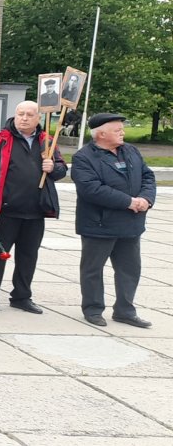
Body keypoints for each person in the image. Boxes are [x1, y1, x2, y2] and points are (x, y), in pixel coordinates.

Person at [0, 101, 67, 314]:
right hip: (5, 210)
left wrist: (53, 167)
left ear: (38, 117)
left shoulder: (47, 141)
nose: (24, 118)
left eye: (29, 114)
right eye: (20, 114)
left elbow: (61, 169)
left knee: (29, 256)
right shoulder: (0, 140)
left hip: (35, 210)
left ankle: (21, 295)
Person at [73, 113, 156, 328]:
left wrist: (146, 199)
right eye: (117, 130)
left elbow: (147, 176)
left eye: (122, 129)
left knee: (130, 269)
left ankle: (125, 310)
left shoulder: (130, 151)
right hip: (99, 224)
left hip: (131, 223)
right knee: (93, 269)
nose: (123, 133)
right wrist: (128, 201)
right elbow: (91, 189)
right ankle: (93, 309)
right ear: (101, 134)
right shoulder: (83, 157)